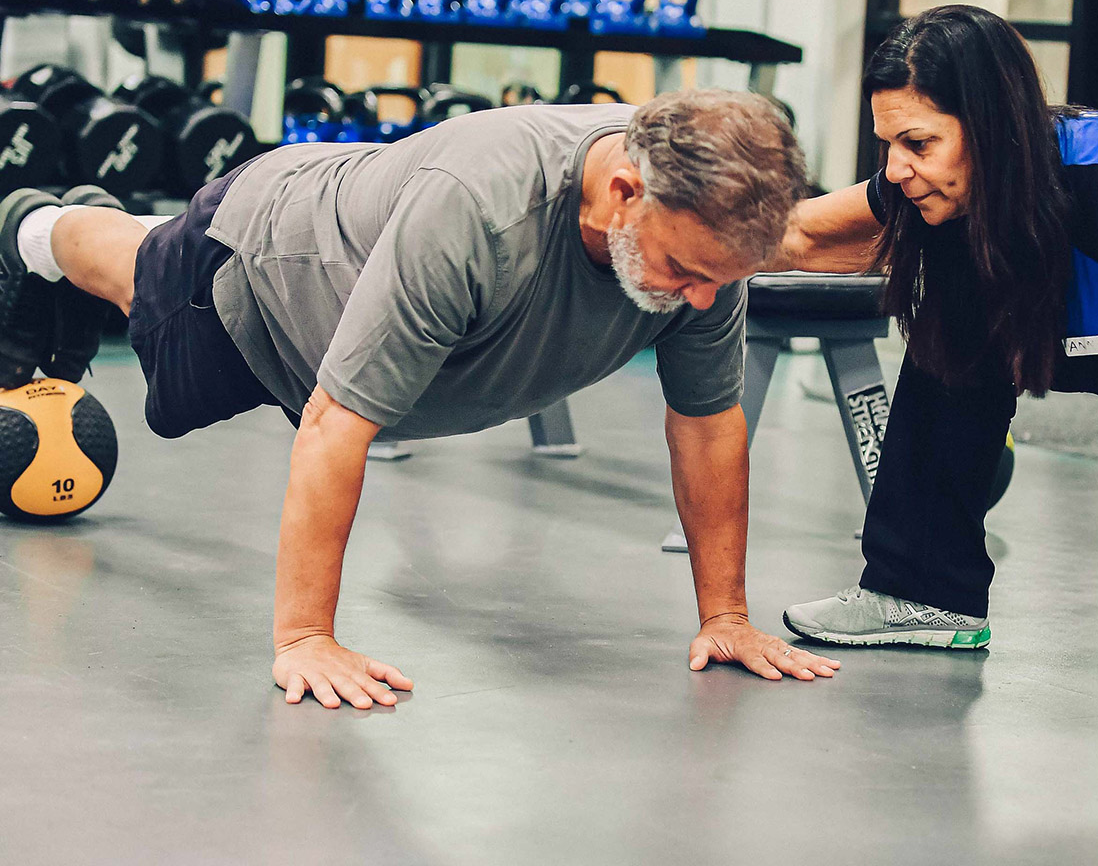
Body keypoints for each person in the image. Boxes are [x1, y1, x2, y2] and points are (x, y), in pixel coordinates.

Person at [0, 89, 841, 706]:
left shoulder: (709, 240)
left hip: (366, 254)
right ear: (623, 192)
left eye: (717, 280)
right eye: (687, 273)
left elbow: (709, 426)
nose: (702, 299)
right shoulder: (480, 211)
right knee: (132, 274)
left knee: (143, 273)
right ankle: (32, 225)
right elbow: (336, 425)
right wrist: (306, 637)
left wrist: (725, 612)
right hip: (260, 266)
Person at [776, 3, 1098, 650]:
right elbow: (801, 236)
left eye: (918, 144)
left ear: (992, 127)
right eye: (888, 145)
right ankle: (921, 590)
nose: (895, 169)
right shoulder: (962, 177)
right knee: (958, 303)